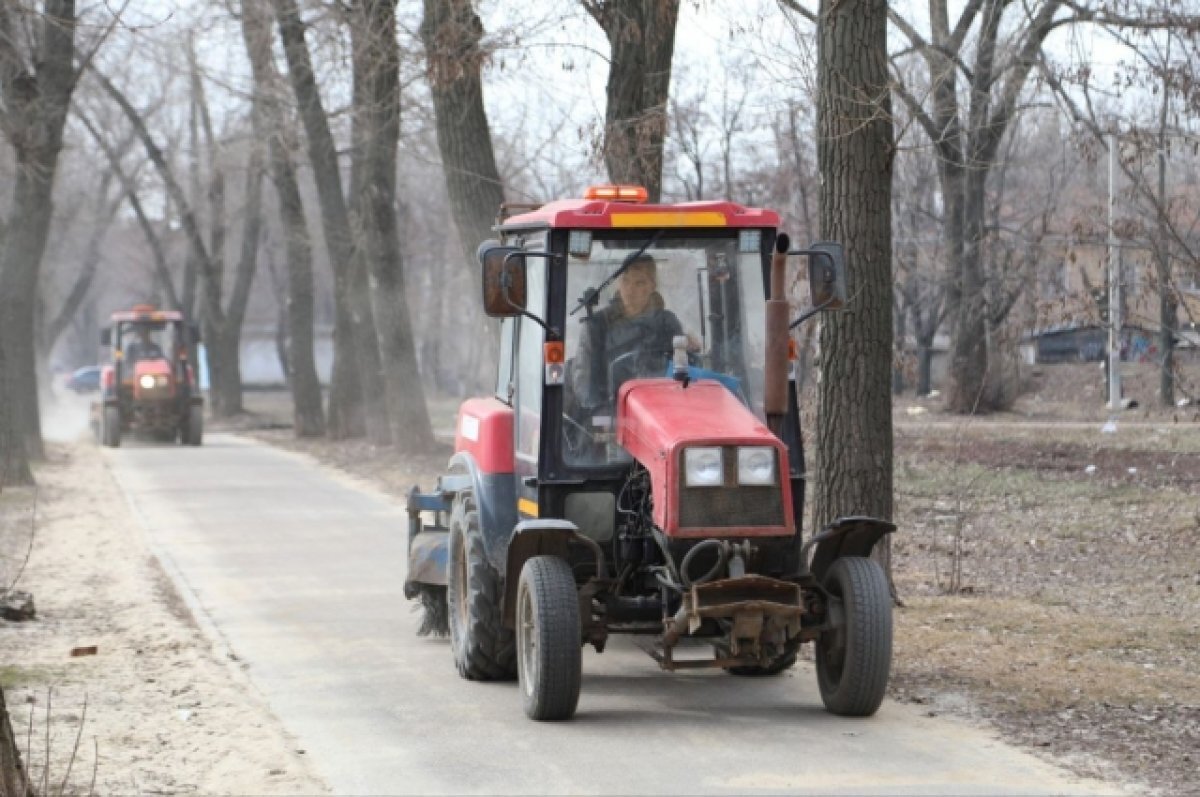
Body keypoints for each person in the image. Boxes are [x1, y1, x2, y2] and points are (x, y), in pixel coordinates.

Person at [571, 254, 683, 410]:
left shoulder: (667, 324)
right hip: (610, 415)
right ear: (618, 282)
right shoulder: (598, 325)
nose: (630, 289)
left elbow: (681, 372)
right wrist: (600, 413)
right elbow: (584, 379)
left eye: (639, 283)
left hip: (659, 410)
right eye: (626, 281)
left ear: (652, 286)